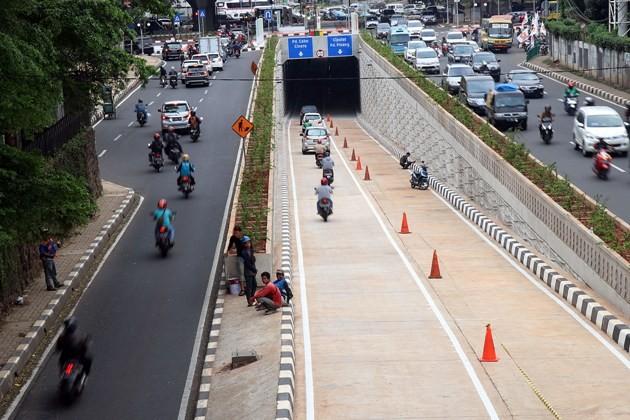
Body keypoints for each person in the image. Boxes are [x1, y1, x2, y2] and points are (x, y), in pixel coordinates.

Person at [227, 226, 247, 296]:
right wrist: (227, 252)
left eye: (237, 233)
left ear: (240, 232)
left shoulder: (244, 238)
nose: (236, 234)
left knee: (248, 273)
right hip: (240, 257)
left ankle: (248, 287)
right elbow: (230, 245)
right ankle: (242, 289)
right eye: (235, 233)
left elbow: (250, 247)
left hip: (247, 257)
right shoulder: (233, 238)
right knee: (241, 273)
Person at [241, 236, 257, 306]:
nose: (248, 244)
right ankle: (249, 301)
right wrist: (254, 269)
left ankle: (252, 298)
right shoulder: (244, 252)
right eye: (246, 243)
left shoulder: (251, 250)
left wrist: (254, 269)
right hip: (248, 271)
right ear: (244, 244)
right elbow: (247, 263)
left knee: (254, 285)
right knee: (249, 287)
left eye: (249, 242)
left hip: (252, 270)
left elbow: (253, 261)